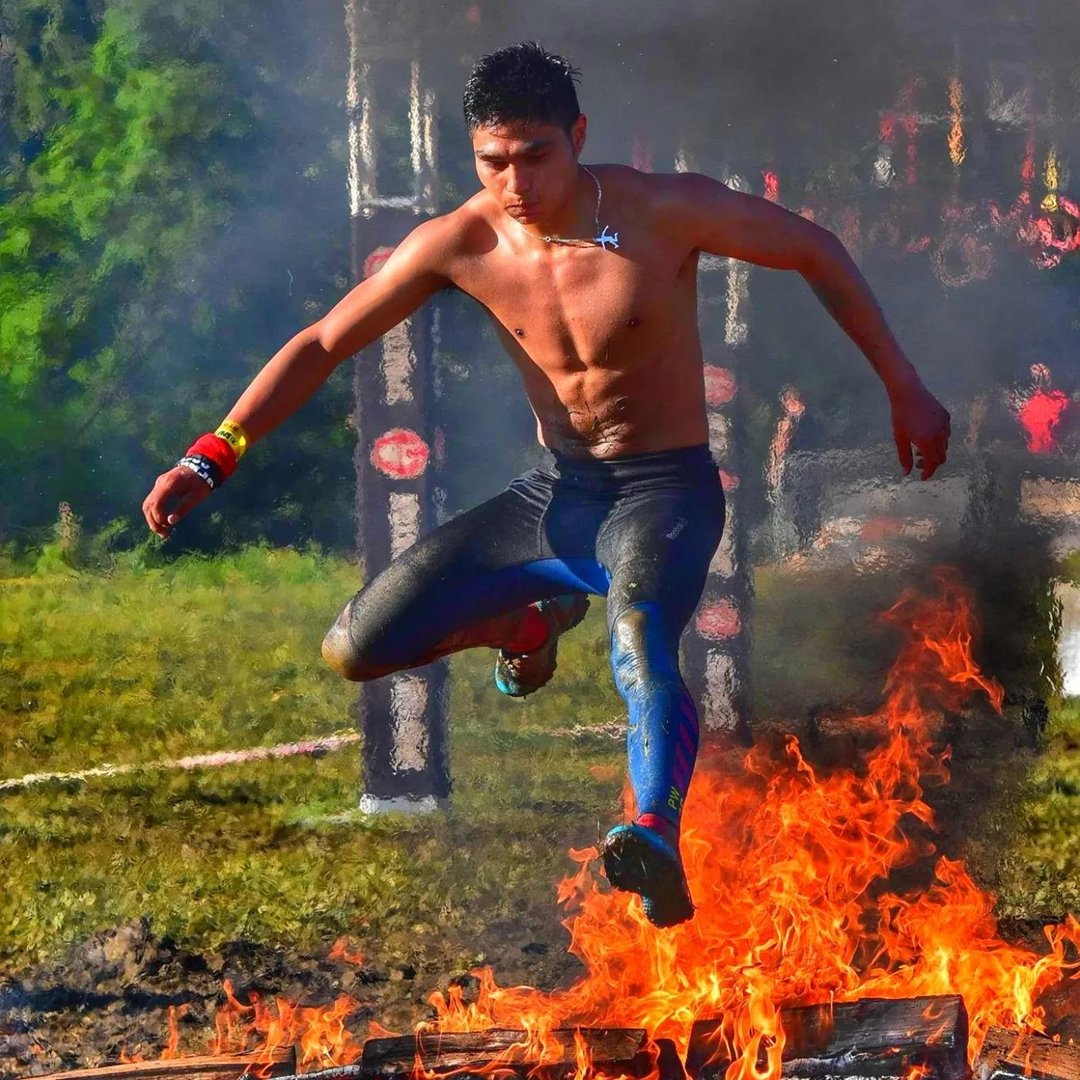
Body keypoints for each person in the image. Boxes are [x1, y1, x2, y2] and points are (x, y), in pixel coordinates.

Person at [142, 42, 951, 928]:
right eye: (493, 161)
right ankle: (526, 624)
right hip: (557, 497)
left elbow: (815, 251)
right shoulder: (459, 241)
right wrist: (211, 454)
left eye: (536, 155)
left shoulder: (660, 209)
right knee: (356, 647)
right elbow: (324, 343)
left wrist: (901, 385)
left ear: (577, 137)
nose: (516, 181)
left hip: (663, 492)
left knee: (640, 636)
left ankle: (652, 831)